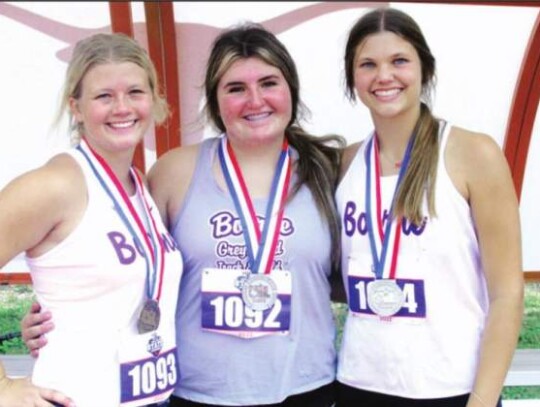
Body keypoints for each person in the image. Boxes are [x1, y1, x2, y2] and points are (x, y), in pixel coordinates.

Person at [21, 24, 345, 406]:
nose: (255, 100)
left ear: (291, 89)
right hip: (197, 391)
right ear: (215, 100)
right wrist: (56, 313)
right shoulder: (174, 172)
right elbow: (134, 266)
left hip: (305, 387)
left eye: (269, 83)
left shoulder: (329, 170)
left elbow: (359, 269)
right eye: (235, 88)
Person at [335, 7, 523, 407]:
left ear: (426, 69)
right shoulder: (345, 164)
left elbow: (507, 293)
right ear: (353, 78)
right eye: (368, 64)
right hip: (359, 384)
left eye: (399, 60)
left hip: (452, 389)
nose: (384, 75)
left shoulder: (474, 154)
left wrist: (483, 400)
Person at [1, 32, 183, 407]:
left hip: (152, 396)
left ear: (152, 98)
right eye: (104, 96)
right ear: (77, 107)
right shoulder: (54, 185)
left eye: (135, 92)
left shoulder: (138, 185)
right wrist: (3, 388)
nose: (122, 107)